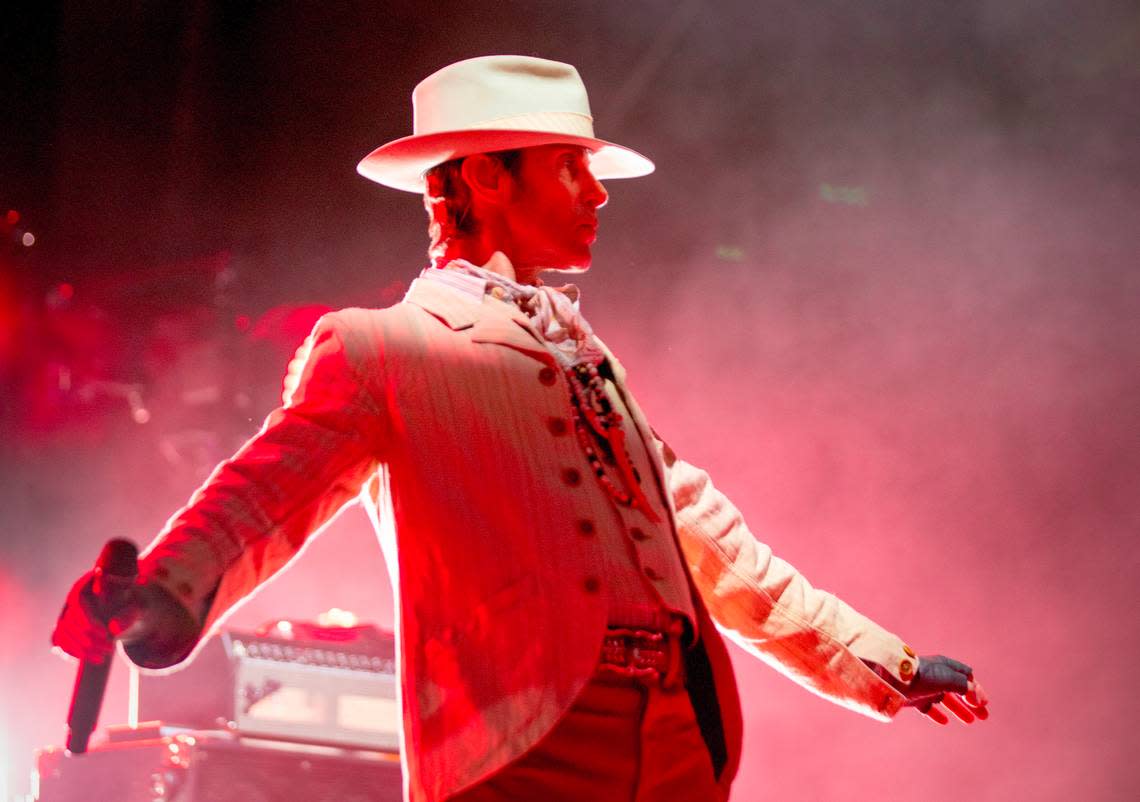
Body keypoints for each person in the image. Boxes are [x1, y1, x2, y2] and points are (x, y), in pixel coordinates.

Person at [52, 55, 988, 802]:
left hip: (679, 739)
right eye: (570, 166)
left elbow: (709, 540)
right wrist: (160, 594)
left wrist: (881, 662)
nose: (598, 192)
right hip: (518, 744)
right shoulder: (387, 349)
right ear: (489, 178)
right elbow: (267, 491)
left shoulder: (590, 362)